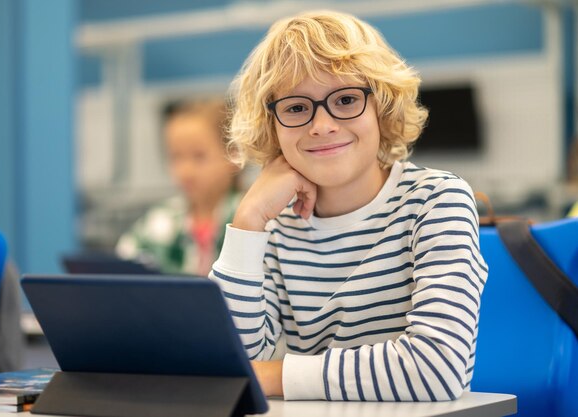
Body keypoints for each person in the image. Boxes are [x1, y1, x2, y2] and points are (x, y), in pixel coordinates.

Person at [209, 10, 488, 402]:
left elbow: (436, 370)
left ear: (382, 108)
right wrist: (248, 220)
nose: (321, 124)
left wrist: (272, 377)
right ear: (271, 125)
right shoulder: (273, 228)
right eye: (295, 107)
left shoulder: (437, 200)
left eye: (345, 99)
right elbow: (227, 364)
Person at [117, 99, 241, 276]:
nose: (186, 171)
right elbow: (123, 268)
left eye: (199, 156)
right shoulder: (158, 221)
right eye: (176, 157)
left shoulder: (249, 217)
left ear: (234, 155)